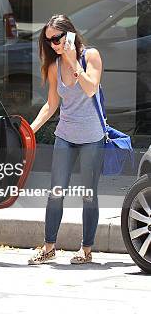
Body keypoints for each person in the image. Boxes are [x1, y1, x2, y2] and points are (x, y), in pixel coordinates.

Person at [28, 14, 104, 265]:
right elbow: (51, 105)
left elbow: (91, 88)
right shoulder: (53, 67)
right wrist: (30, 130)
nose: (53, 44)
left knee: (88, 194)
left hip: (92, 137)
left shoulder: (90, 56)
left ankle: (86, 249)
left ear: (69, 34)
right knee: (55, 193)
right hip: (65, 136)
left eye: (57, 38)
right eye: (49, 41)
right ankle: (49, 247)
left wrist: (73, 61)